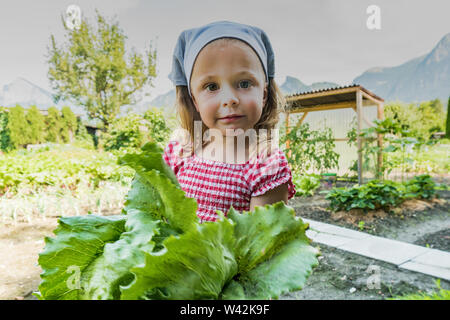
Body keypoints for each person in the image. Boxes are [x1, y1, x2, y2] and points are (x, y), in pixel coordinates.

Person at [163, 20, 296, 223]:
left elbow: (262, 244)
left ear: (264, 94)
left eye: (244, 83)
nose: (229, 99)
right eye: (211, 86)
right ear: (194, 100)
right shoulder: (180, 153)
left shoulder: (266, 166)